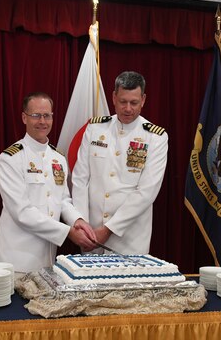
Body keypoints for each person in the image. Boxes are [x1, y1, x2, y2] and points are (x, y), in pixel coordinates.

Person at [0, 92, 97, 273]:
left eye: (47, 115)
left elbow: (63, 200)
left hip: (48, 258)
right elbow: (22, 212)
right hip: (17, 259)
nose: (42, 121)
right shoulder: (10, 158)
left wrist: (77, 220)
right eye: (36, 115)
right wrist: (68, 233)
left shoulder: (57, 158)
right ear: (24, 117)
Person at [71, 71, 168, 254]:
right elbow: (80, 179)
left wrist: (108, 229)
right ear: (114, 97)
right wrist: (82, 224)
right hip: (91, 236)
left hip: (129, 241)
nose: (128, 109)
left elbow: (146, 192)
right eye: (123, 102)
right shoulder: (95, 128)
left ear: (144, 99)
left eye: (134, 103)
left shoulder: (155, 137)